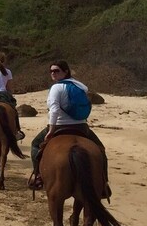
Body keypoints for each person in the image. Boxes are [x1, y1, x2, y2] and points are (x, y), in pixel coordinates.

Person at [27, 61, 108, 192]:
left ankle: (38, 176)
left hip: (59, 126)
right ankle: (103, 183)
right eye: (51, 71)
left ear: (65, 71)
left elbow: (54, 110)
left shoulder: (56, 88)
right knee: (100, 150)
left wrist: (51, 130)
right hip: (81, 126)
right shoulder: (81, 87)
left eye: (57, 71)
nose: (53, 73)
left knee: (35, 144)